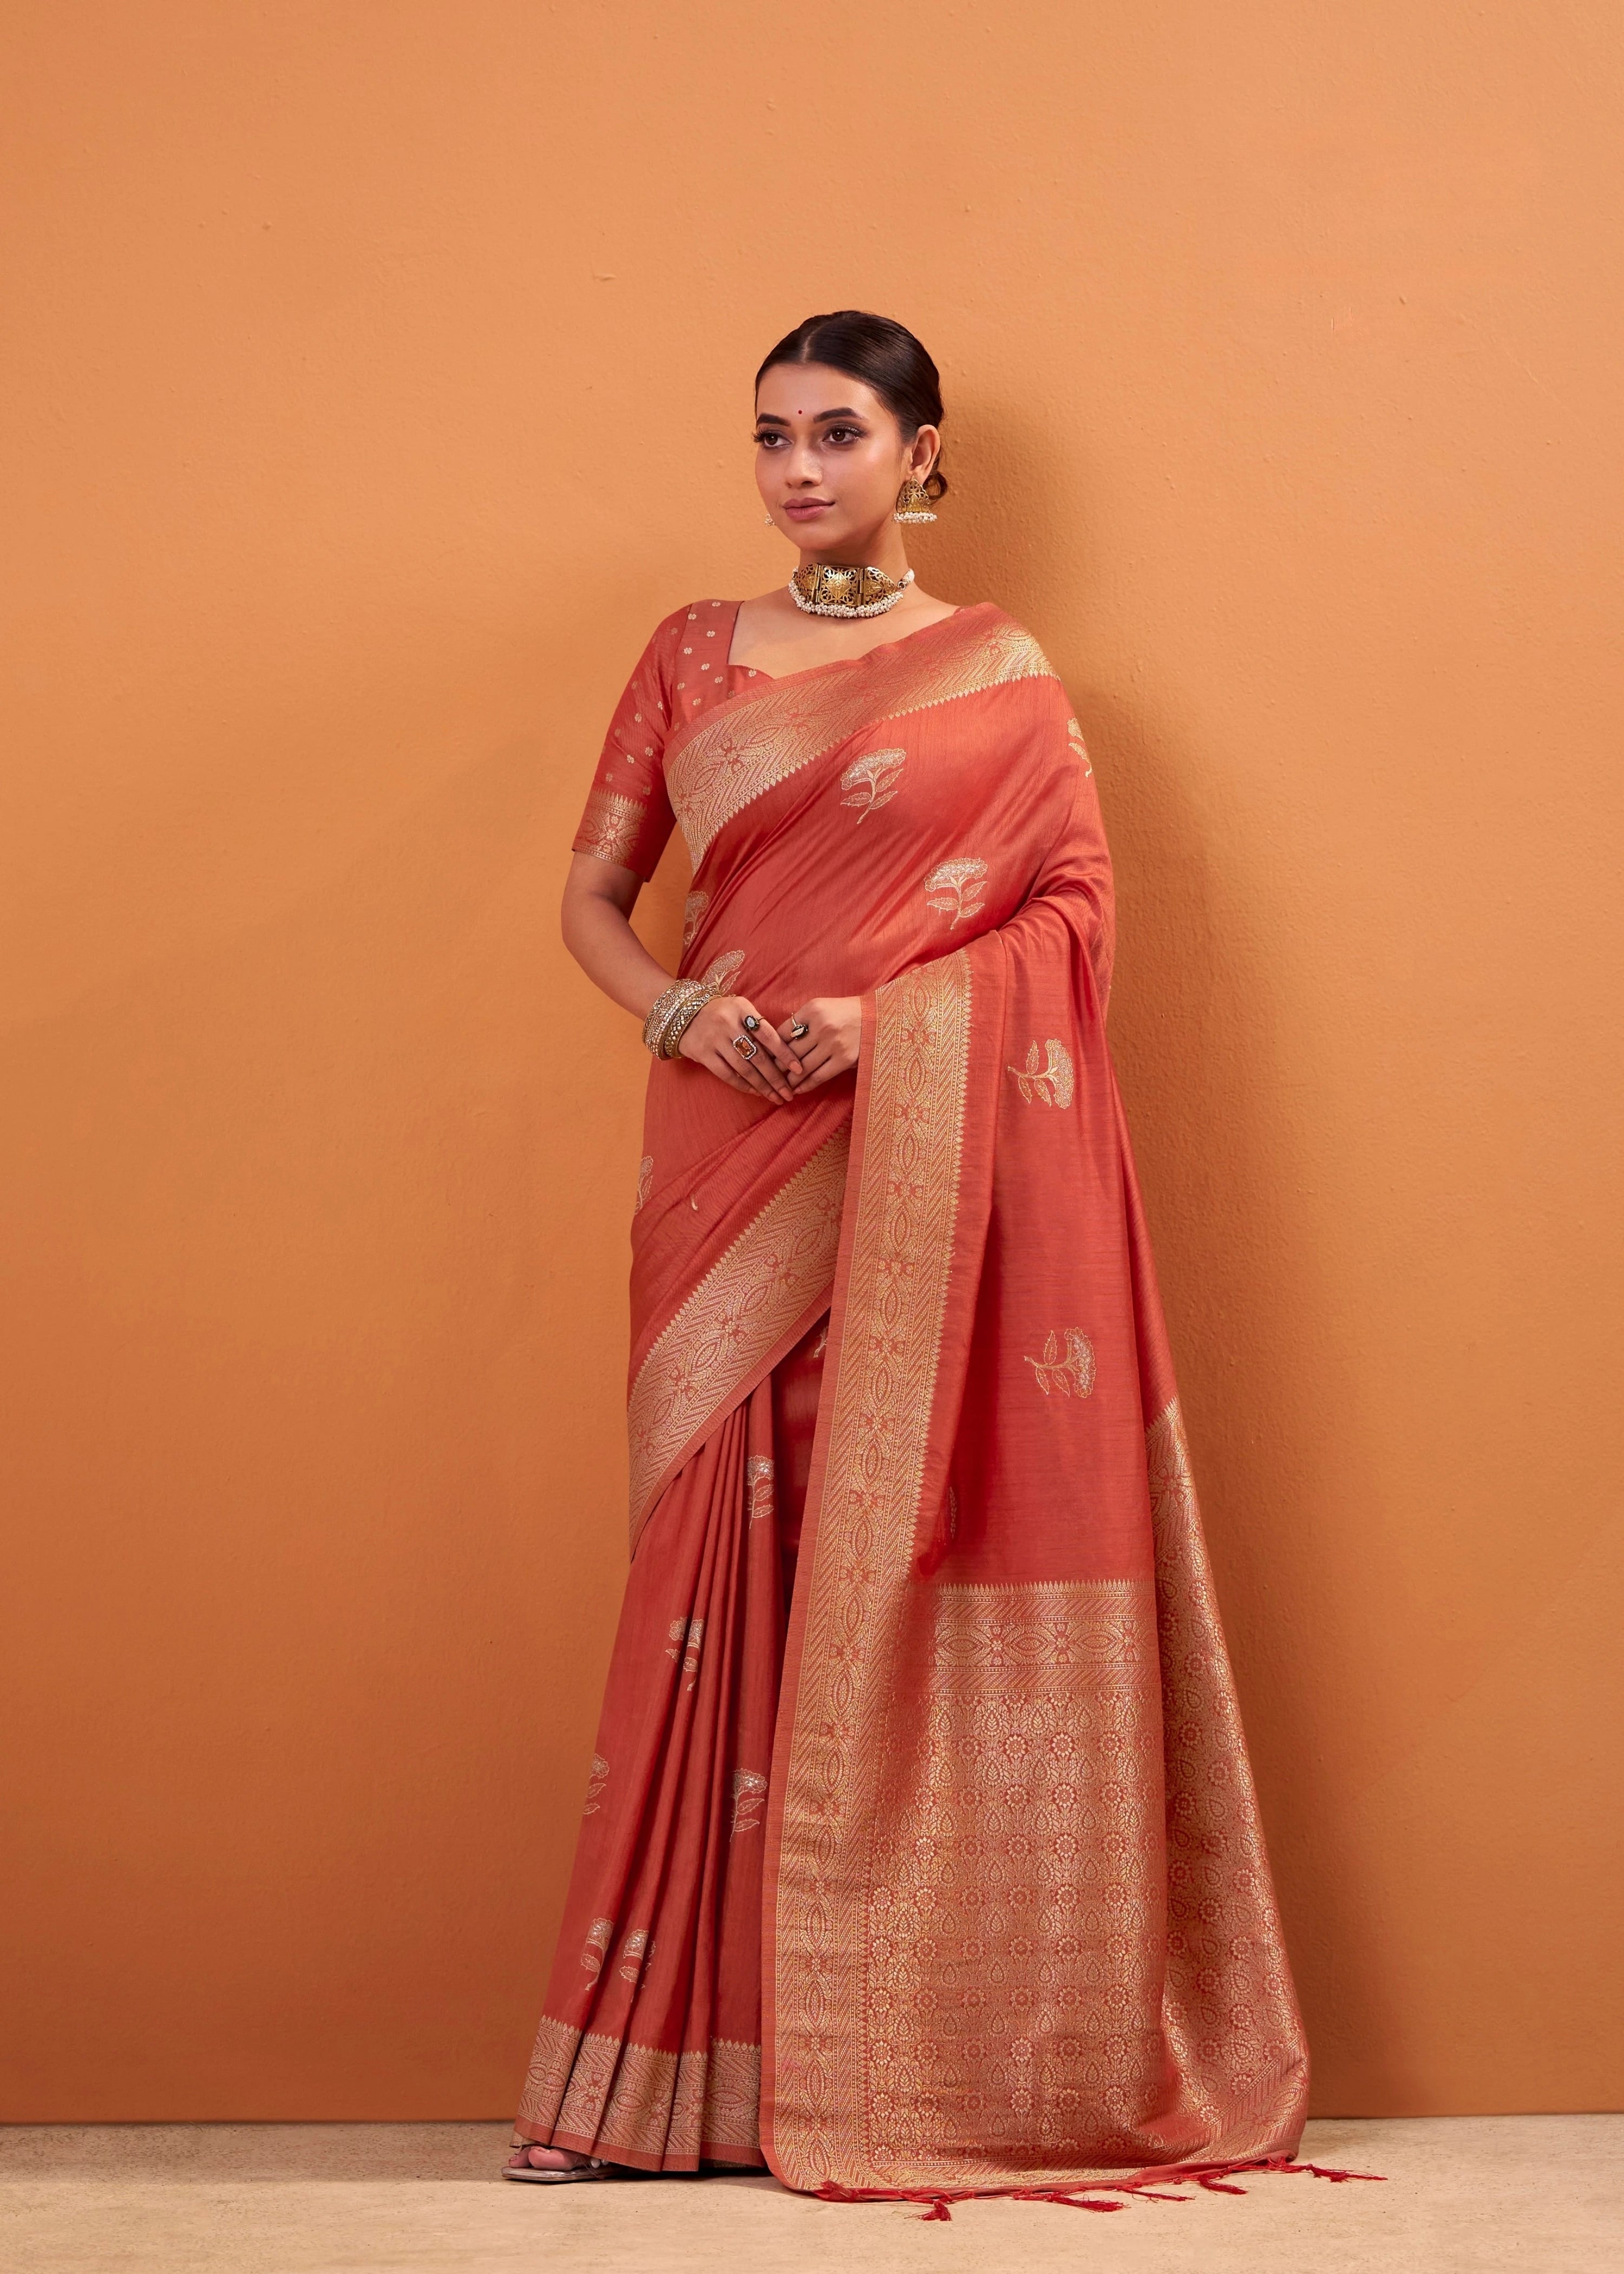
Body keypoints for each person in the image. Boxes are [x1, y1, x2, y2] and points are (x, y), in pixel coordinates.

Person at [505, 311, 1308, 2194]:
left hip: (913, 1149)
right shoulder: (690, 655)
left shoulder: (1003, 678)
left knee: (887, 1556)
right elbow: (592, 894)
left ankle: (876, 2055)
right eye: (773, 437)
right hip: (723, 1143)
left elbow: (1077, 914)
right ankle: (651, 2083)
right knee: (716, 1558)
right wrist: (676, 1018)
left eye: (839, 434)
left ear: (921, 454)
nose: (799, 470)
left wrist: (891, 1033)